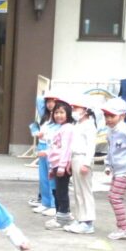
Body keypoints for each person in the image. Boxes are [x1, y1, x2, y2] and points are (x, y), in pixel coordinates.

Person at [101, 97, 126, 240]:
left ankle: (124, 227)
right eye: (106, 116)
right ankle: (123, 226)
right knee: (113, 197)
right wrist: (108, 165)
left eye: (112, 116)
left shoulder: (125, 131)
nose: (108, 119)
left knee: (115, 197)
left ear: (122, 116)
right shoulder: (110, 131)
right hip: (117, 170)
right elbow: (110, 150)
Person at [64, 96, 98, 235]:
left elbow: (91, 146)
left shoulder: (89, 125)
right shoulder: (78, 124)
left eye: (76, 108)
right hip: (75, 158)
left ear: (85, 110)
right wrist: (69, 161)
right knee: (78, 191)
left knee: (85, 191)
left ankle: (88, 221)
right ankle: (80, 218)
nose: (74, 110)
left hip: (83, 158)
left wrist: (86, 163)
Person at [44, 99, 75, 229]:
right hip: (56, 165)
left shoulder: (68, 128)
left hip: (61, 166)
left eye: (62, 112)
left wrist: (62, 166)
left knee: (61, 192)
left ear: (68, 113)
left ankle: (63, 217)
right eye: (56, 112)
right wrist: (52, 168)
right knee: (57, 191)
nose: (58, 115)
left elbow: (66, 149)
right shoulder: (61, 128)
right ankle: (61, 215)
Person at [32, 91, 59, 216]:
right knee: (43, 177)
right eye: (48, 102)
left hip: (52, 147)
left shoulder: (59, 116)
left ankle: (54, 205)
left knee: (51, 177)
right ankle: (45, 202)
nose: (50, 104)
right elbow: (38, 99)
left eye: (53, 102)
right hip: (42, 146)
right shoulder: (44, 115)